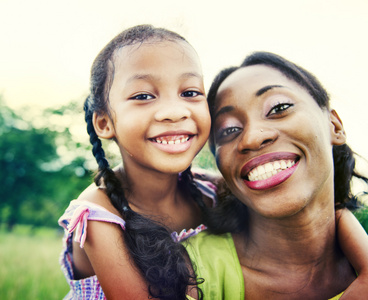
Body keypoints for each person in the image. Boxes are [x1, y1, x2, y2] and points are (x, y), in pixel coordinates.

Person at [184, 51, 368, 299]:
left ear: (334, 126)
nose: (252, 137)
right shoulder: (189, 274)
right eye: (229, 130)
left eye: (279, 108)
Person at [58, 24, 215, 300]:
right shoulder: (99, 214)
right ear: (105, 123)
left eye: (190, 92)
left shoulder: (210, 192)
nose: (174, 112)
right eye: (143, 96)